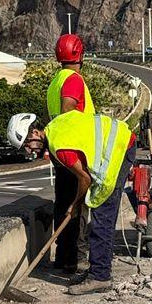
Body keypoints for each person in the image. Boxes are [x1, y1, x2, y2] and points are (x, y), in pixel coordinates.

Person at [42, 100, 133, 292]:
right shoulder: (55, 127)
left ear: (35, 133)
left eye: (27, 143)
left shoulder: (59, 147)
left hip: (118, 149)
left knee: (102, 215)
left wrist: (75, 204)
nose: (29, 150)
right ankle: (98, 270)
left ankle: (100, 276)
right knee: (101, 213)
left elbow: (84, 178)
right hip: (120, 140)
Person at [46, 33, 94, 276]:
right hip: (74, 150)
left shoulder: (55, 81)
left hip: (60, 150)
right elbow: (68, 108)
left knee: (62, 202)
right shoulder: (73, 80)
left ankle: (63, 257)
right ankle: (76, 260)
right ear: (80, 55)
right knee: (78, 205)